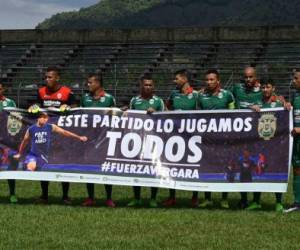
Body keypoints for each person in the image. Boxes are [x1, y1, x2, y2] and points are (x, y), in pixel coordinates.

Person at [28, 66, 77, 204]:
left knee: (63, 163)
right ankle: (44, 196)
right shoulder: (41, 91)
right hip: (45, 133)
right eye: (46, 77)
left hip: (61, 133)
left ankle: (65, 196)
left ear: (57, 78)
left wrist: (68, 107)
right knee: (43, 163)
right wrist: (33, 107)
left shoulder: (67, 92)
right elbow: (36, 106)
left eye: (50, 77)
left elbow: (76, 107)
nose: (47, 79)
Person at [247, 79, 289, 212]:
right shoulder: (258, 102)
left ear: (274, 88)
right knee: (257, 171)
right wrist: (251, 108)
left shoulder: (279, 102)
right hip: (259, 145)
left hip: (276, 144)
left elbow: (287, 117)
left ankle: (278, 202)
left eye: (268, 87)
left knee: (277, 171)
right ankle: (256, 201)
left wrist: (287, 105)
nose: (265, 90)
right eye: (263, 87)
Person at [197, 69, 235, 209]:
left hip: (224, 138)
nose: (209, 82)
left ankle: (224, 198)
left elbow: (234, 115)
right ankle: (208, 198)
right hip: (207, 138)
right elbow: (196, 116)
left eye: (212, 79)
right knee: (207, 167)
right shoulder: (201, 96)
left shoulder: (228, 95)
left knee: (226, 166)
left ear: (218, 81)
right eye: (207, 80)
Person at [127, 73, 165, 208]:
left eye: (150, 85)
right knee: (136, 168)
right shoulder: (134, 100)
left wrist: (156, 112)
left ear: (153, 86)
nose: (148, 87)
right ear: (141, 86)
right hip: (137, 139)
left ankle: (153, 198)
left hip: (153, 139)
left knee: (153, 168)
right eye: (145, 85)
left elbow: (166, 119)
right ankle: (136, 197)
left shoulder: (158, 101)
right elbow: (129, 117)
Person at [163, 69, 199, 207]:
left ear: (184, 79)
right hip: (175, 136)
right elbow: (167, 109)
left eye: (177, 78)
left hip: (192, 137)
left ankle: (194, 197)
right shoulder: (173, 94)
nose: (174, 81)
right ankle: (172, 196)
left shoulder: (196, 96)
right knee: (172, 165)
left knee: (193, 165)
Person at [80, 73, 116, 208]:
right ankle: (90, 197)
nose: (88, 85)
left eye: (90, 82)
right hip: (88, 138)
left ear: (98, 84)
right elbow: (80, 116)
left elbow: (115, 116)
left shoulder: (109, 98)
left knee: (106, 167)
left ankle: (109, 197)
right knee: (89, 167)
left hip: (104, 138)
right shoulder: (85, 98)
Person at [231, 66, 263, 209]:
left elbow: (274, 100)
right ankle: (243, 199)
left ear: (256, 77)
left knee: (256, 168)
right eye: (246, 77)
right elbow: (225, 97)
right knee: (243, 169)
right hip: (241, 135)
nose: (248, 79)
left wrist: (283, 101)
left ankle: (256, 200)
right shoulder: (237, 89)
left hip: (256, 136)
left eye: (251, 77)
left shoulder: (262, 91)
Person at [14, 112, 87, 172]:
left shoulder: (50, 127)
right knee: (30, 168)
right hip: (32, 154)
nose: (44, 119)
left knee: (37, 172)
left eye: (46, 118)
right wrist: (19, 153)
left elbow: (64, 132)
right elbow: (24, 142)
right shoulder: (31, 129)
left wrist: (79, 137)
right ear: (38, 118)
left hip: (43, 156)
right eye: (42, 117)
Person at [0, 82, 18, 203]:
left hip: (6, 140)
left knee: (11, 166)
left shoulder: (10, 102)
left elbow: (16, 119)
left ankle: (12, 193)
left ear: (3, 89)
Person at [285, 69, 300, 212]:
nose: (293, 81)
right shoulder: (296, 96)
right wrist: (288, 106)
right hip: (297, 140)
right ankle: (297, 202)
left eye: (296, 78)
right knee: (297, 170)